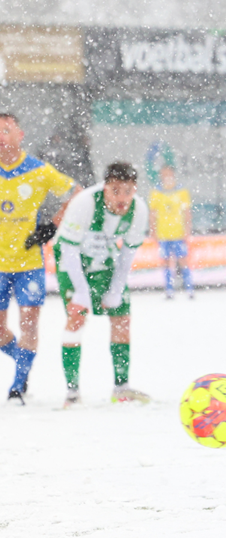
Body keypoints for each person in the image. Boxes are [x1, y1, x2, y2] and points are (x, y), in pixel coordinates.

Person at [54, 162, 150, 407]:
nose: (122, 198)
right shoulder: (84, 203)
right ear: (105, 188)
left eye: (128, 191)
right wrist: (81, 291)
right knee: (76, 317)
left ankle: (121, 387)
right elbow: (68, 249)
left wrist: (116, 290)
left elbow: (127, 254)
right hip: (72, 260)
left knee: (122, 318)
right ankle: (72, 392)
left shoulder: (139, 210)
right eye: (116, 191)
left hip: (104, 258)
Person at [0, 113, 81, 404]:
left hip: (29, 263)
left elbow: (77, 193)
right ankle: (24, 359)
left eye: (6, 130)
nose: (0, 137)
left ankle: (18, 384)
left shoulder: (38, 170)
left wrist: (52, 226)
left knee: (29, 323)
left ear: (20, 135)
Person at [148, 165, 194, 299]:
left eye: (168, 173)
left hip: (178, 232)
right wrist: (153, 230)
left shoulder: (181, 192)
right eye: (164, 174)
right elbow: (153, 212)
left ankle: (189, 288)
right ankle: (169, 289)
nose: (166, 176)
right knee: (166, 261)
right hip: (163, 233)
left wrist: (187, 229)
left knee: (183, 260)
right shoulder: (156, 192)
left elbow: (187, 212)